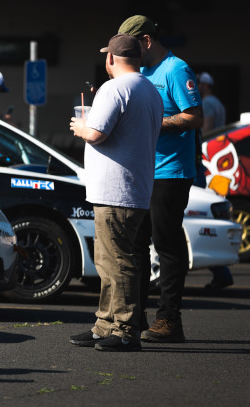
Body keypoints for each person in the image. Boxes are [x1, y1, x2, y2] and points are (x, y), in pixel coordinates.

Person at [68, 34, 163, 352]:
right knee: (109, 260)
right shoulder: (149, 89)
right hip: (134, 187)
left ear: (110, 58)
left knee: (117, 262)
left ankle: (124, 329)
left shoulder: (114, 88)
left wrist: (80, 128)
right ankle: (104, 325)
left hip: (115, 190)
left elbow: (96, 133)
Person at [119, 15, 203, 343]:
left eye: (131, 45)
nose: (128, 53)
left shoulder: (175, 69)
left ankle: (169, 319)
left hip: (170, 172)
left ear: (147, 40)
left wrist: (154, 123)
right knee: (137, 246)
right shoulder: (139, 72)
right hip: (142, 170)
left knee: (166, 244)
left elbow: (194, 117)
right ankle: (136, 316)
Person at [197, 72, 233, 290]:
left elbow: (206, 129)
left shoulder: (208, 104)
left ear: (205, 85)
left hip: (202, 157)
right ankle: (221, 272)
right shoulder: (218, 103)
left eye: (200, 83)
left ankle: (221, 272)